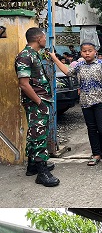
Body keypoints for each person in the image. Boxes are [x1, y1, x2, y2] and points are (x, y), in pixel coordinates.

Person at [51, 42, 102, 167]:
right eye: (84, 51)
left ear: (95, 51)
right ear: (81, 53)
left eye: (90, 50)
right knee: (91, 129)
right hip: (86, 102)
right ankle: (96, 153)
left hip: (100, 102)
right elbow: (67, 71)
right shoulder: (79, 65)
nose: (87, 53)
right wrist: (54, 58)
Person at [15, 27, 59, 186]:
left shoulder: (34, 54)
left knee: (35, 132)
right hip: (36, 102)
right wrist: (39, 103)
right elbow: (24, 84)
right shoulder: (25, 56)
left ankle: (33, 165)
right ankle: (42, 173)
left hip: (41, 100)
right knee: (39, 134)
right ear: (38, 38)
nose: (45, 39)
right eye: (44, 37)